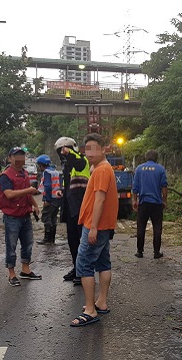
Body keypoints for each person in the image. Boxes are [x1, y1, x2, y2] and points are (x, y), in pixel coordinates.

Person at [71, 133, 118, 327]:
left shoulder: (101, 170)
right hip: (102, 226)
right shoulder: (103, 168)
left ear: (104, 148)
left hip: (95, 226)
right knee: (103, 262)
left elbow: (100, 199)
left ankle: (90, 310)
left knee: (84, 265)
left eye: (94, 148)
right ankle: (101, 301)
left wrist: (93, 228)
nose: (89, 152)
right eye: (87, 149)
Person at [0, 147, 42, 286]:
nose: (19, 160)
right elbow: (9, 194)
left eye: (22, 157)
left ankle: (25, 269)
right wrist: (28, 190)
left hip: (25, 214)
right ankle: (11, 274)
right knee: (11, 246)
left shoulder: (24, 173)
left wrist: (35, 205)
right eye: (16, 157)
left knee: (28, 243)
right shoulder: (6, 175)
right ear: (10, 158)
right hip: (12, 217)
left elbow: (27, 194)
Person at [55, 136, 90, 284]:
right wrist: (62, 191)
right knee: (72, 241)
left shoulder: (81, 160)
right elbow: (69, 185)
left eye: (63, 151)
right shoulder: (67, 166)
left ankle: (83, 272)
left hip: (81, 207)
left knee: (83, 241)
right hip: (70, 208)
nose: (62, 154)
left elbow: (80, 163)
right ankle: (76, 268)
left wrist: (69, 153)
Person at [132, 150, 168, 259]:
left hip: (143, 202)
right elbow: (164, 187)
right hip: (156, 203)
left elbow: (135, 187)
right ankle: (156, 252)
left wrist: (134, 200)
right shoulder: (160, 169)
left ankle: (139, 251)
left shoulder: (139, 169)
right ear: (156, 158)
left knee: (141, 227)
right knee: (157, 228)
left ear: (146, 157)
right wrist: (164, 200)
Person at [35, 154, 62, 245]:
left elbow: (47, 186)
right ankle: (52, 239)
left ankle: (47, 238)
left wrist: (47, 199)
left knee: (46, 217)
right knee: (53, 218)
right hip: (56, 198)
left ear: (41, 165)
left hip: (50, 198)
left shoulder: (47, 172)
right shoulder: (55, 171)